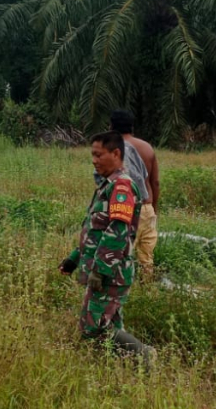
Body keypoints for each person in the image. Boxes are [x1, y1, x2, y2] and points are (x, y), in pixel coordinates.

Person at [60, 131, 155, 369]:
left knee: (91, 328)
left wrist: (100, 271)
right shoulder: (108, 185)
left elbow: (117, 232)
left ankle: (144, 355)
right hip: (107, 271)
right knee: (111, 324)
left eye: (98, 154)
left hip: (111, 274)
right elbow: (95, 233)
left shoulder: (121, 186)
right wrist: (73, 260)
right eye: (92, 154)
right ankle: (123, 370)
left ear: (115, 153)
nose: (94, 160)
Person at [110, 109, 160, 279]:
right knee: (146, 259)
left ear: (111, 127)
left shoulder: (112, 149)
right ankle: (147, 292)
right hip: (146, 207)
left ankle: (121, 292)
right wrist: (153, 209)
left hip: (124, 209)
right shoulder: (146, 147)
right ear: (132, 126)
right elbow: (155, 182)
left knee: (121, 255)